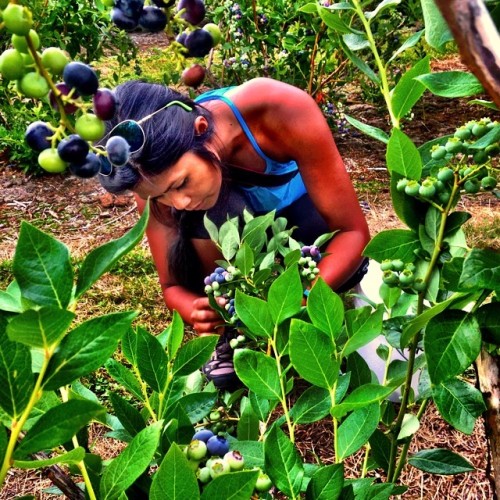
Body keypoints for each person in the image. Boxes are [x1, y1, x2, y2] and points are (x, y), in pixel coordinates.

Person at [99, 77, 371, 389]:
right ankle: (238, 326)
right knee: (205, 213)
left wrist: (302, 299)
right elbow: (172, 287)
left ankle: (293, 299)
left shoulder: (277, 108)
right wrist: (195, 309)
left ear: (201, 128)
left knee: (341, 265)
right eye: (159, 197)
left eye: (180, 183)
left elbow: (352, 232)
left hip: (306, 231)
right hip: (237, 255)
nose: (179, 203)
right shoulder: (147, 173)